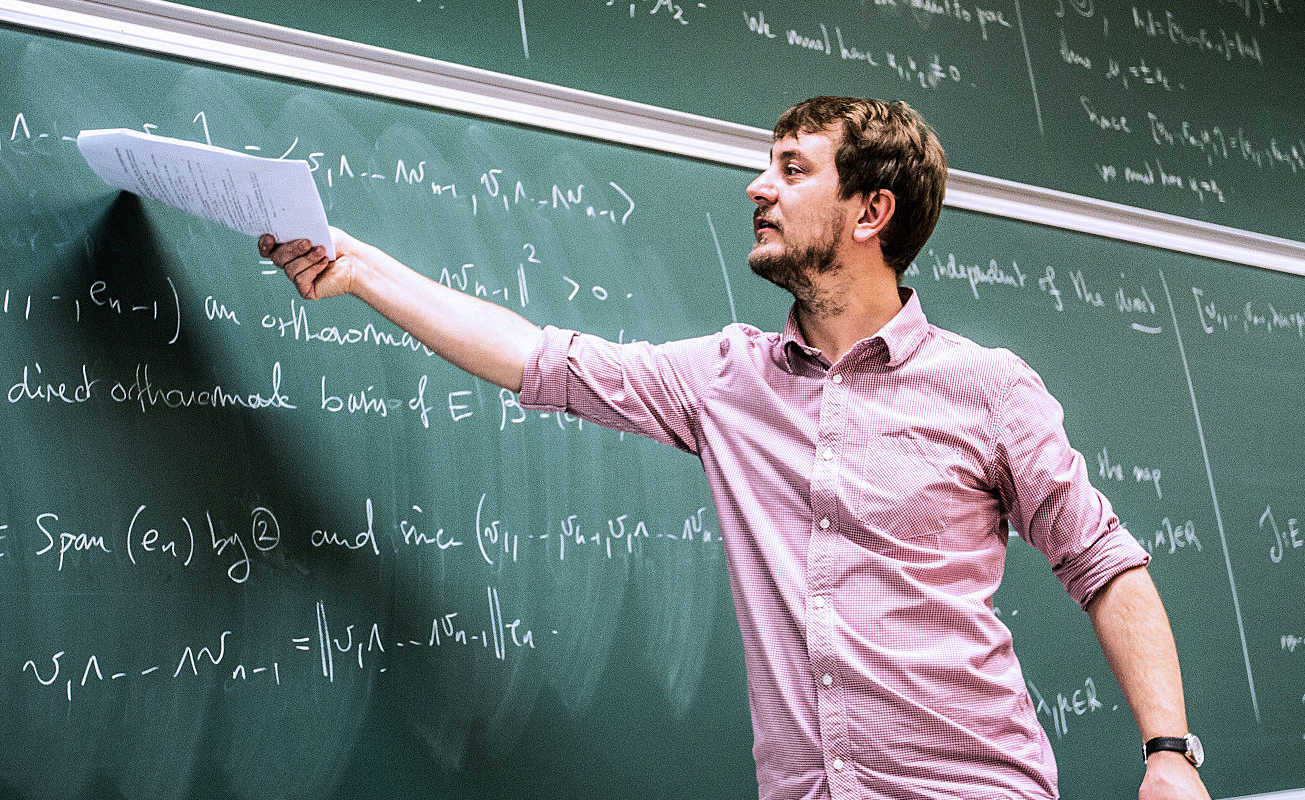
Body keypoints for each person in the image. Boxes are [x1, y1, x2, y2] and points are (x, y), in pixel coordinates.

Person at [259, 96, 1212, 800]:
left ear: (871, 213)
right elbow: (537, 357)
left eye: (794, 169)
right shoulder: (726, 380)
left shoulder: (989, 387)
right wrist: (360, 269)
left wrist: (1167, 753)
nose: (759, 185)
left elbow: (1106, 565)